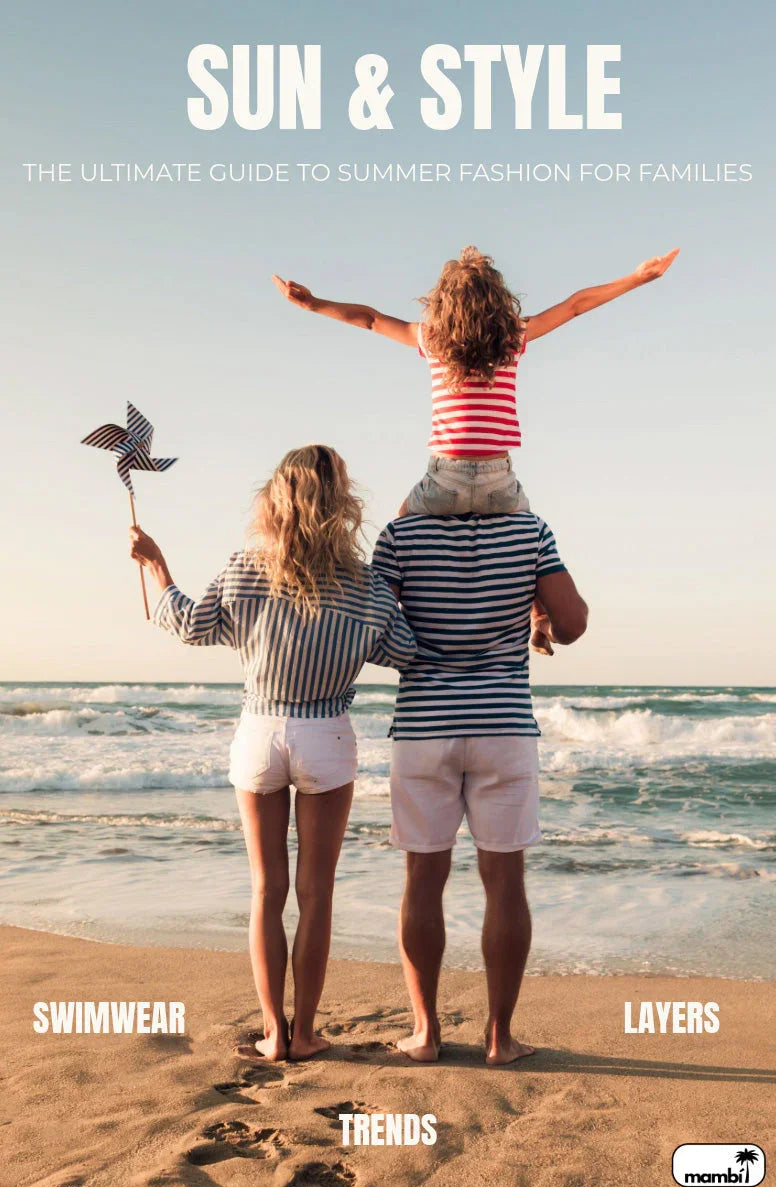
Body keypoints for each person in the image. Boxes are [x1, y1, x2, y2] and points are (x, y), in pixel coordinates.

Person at [129, 445, 416, 1062]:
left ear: (277, 499)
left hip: (260, 733)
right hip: (327, 736)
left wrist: (156, 565)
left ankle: (272, 1034)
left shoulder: (246, 568)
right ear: (342, 502)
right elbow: (405, 652)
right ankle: (306, 1032)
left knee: (266, 890)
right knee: (317, 893)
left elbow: (192, 626)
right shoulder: (366, 585)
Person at [273, 245, 677, 652]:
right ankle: (539, 617)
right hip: (498, 482)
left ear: (442, 303)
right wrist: (636, 278)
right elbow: (575, 305)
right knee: (533, 549)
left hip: (444, 480)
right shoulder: (513, 337)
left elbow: (371, 319)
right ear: (498, 300)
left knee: (398, 533)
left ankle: (380, 626)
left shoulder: (431, 339)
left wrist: (313, 304)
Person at [371, 506, 588, 1066]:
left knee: (423, 879)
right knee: (505, 881)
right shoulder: (530, 531)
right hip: (502, 726)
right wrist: (538, 616)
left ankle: (425, 1034)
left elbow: (376, 628)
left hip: (423, 727)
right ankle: (499, 1038)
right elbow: (573, 624)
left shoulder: (401, 533)